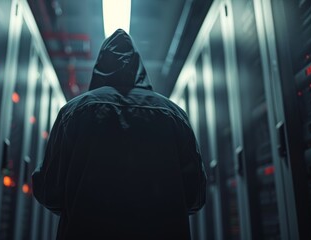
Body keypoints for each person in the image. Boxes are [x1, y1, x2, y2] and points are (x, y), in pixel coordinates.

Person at [32, 29, 207, 240]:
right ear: (139, 67)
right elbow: (195, 195)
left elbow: (49, 191)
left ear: (100, 66)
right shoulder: (173, 115)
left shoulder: (74, 112)